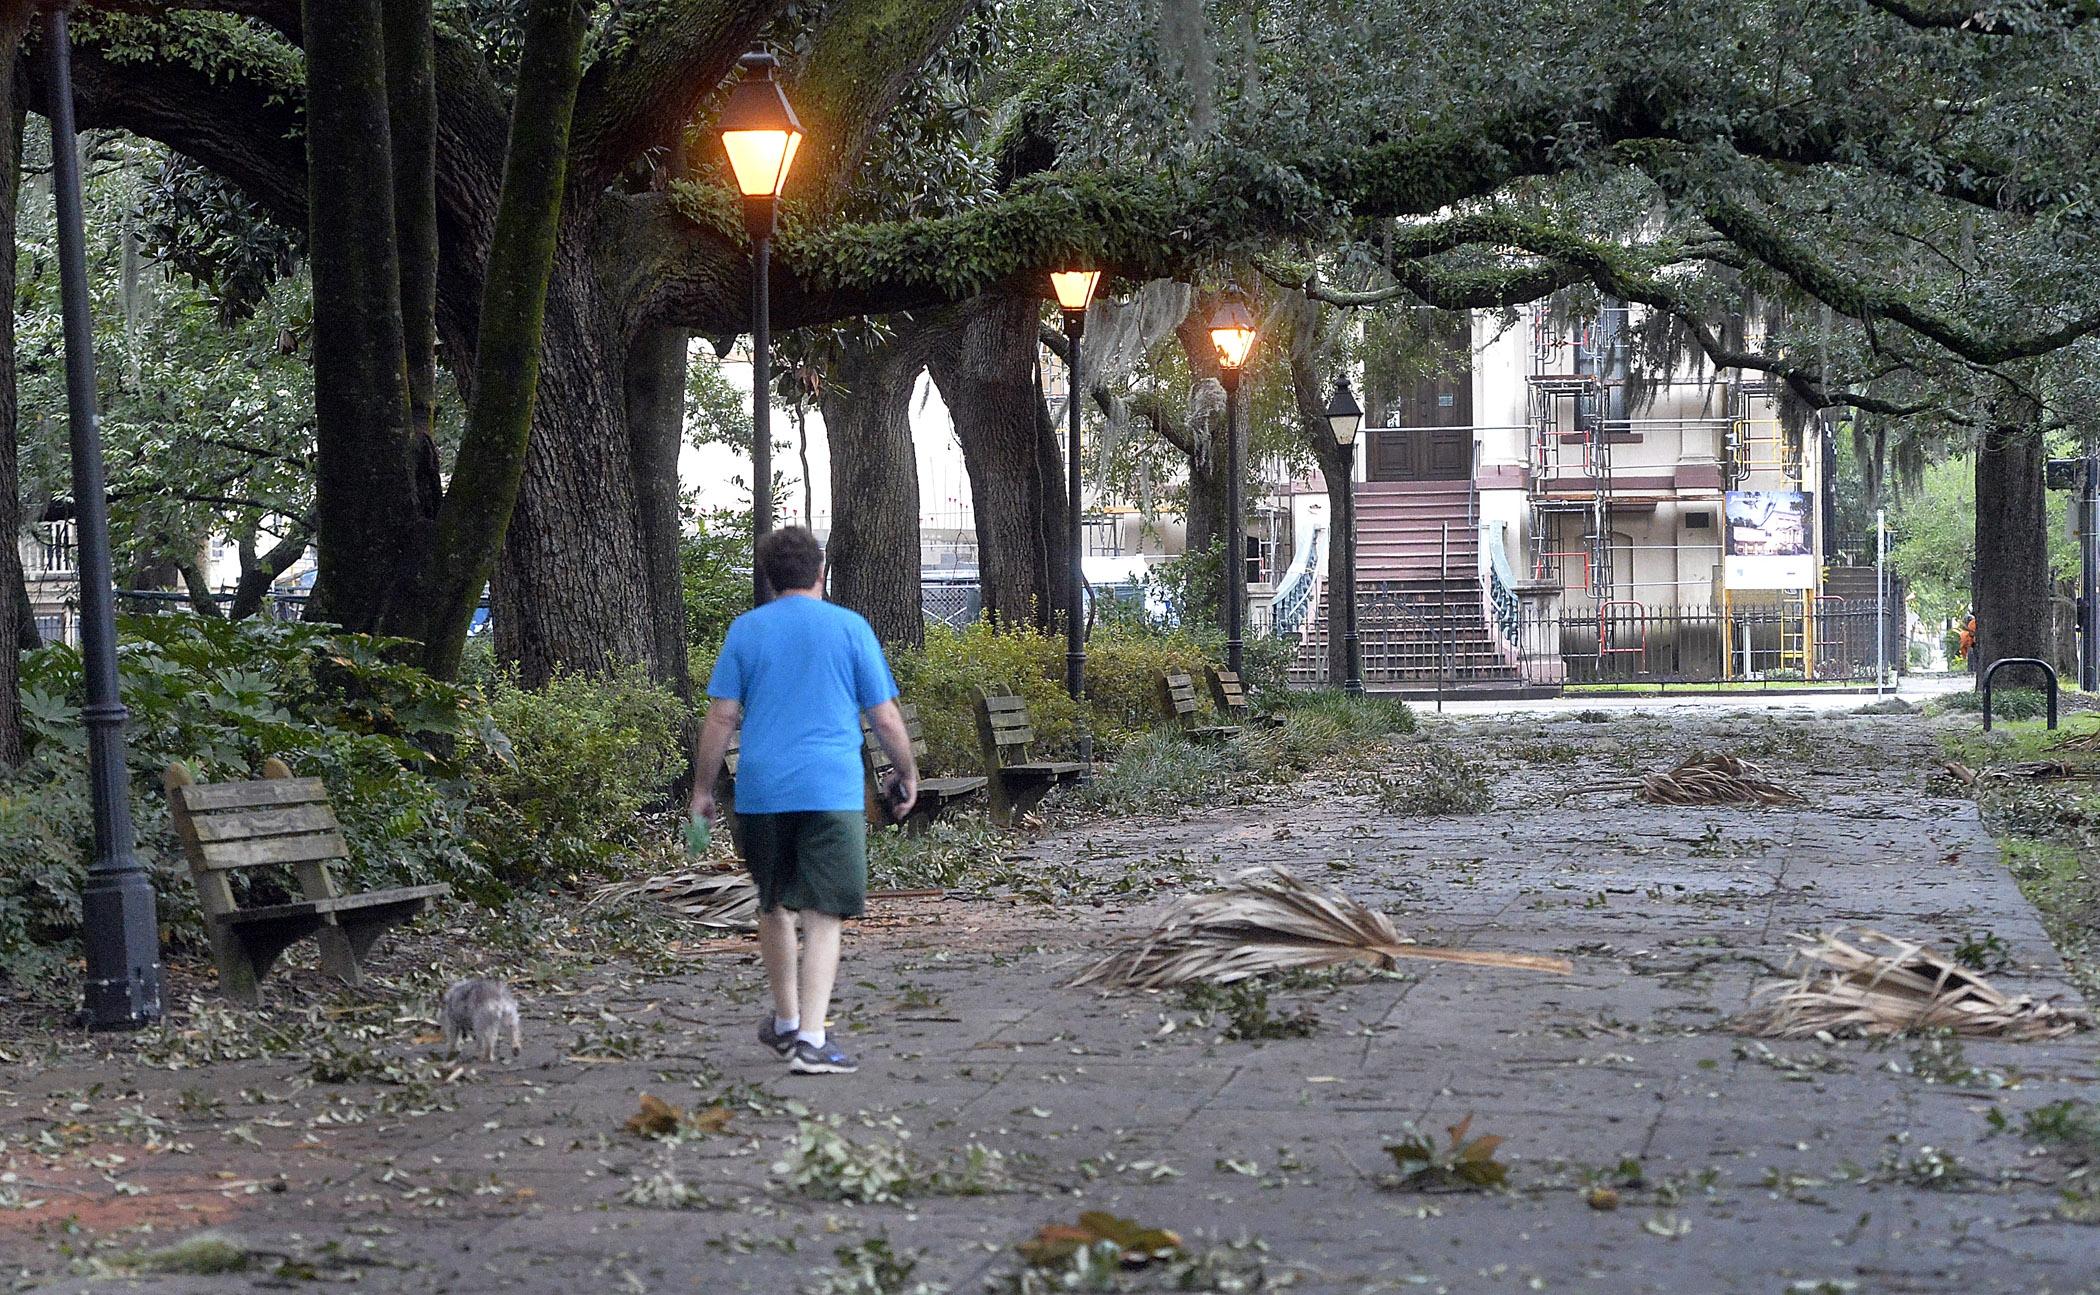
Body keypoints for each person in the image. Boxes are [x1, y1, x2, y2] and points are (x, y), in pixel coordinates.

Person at [690, 527, 918, 1076]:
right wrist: (906, 771)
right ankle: (812, 1041)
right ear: (821, 571)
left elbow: (722, 716)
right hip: (830, 791)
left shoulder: (746, 632)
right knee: (824, 913)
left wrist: (701, 789)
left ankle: (787, 1021)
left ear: (768, 577)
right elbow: (884, 716)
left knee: (772, 903)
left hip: (763, 791)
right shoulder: (850, 628)